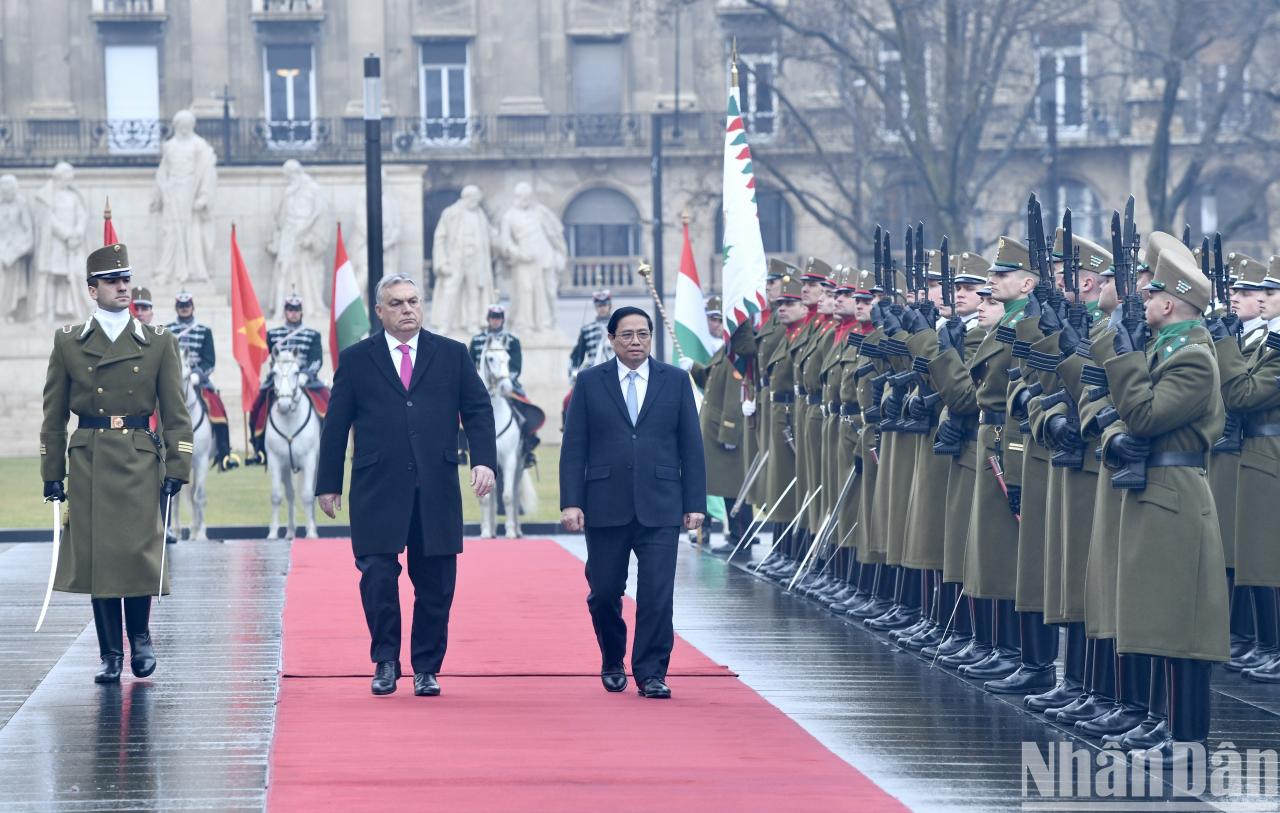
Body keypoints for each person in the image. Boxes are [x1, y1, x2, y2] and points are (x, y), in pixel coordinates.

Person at [316, 274, 496, 698]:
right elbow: (336, 424)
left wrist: (483, 459)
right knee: (377, 577)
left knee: (435, 583)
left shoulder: (451, 354)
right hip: (376, 487)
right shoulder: (357, 359)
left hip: (436, 487)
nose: (407, 309)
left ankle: (427, 667)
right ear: (379, 312)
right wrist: (329, 483)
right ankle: (385, 661)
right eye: (396, 303)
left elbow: (477, 408)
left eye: (413, 301)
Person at [40, 243, 192, 682]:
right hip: (89, 456)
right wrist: (53, 474)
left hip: (138, 455)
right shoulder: (69, 342)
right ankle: (110, 654)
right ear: (93, 290)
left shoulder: (159, 342)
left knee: (138, 552)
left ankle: (140, 639)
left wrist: (178, 466)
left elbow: (176, 411)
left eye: (126, 279)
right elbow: (53, 414)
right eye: (112, 281)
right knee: (99, 559)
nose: (123, 286)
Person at [560, 306, 706, 699]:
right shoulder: (590, 382)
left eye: (643, 334)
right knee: (605, 592)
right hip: (606, 505)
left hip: (661, 505)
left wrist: (695, 502)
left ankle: (651, 672)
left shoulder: (674, 381)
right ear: (611, 339)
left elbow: (691, 445)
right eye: (627, 335)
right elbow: (574, 447)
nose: (636, 342)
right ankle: (612, 657)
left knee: (658, 593)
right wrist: (571, 502)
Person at [248, 295, 330, 464]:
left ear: (301, 312)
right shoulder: (273, 334)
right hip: (278, 380)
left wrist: (305, 374)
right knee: (256, 406)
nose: (293, 314)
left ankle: (328, 445)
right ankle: (258, 448)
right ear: (285, 312)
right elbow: (262, 355)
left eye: (296, 310)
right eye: (290, 310)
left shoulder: (312, 335)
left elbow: (316, 360)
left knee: (329, 403)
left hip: (304, 379)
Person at [168, 292, 238, 471]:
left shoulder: (204, 331)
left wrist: (198, 375)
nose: (184, 309)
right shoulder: (168, 331)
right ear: (177, 308)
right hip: (172, 381)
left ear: (192, 307)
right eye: (181, 306)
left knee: (218, 408)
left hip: (198, 381)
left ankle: (224, 453)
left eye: (187, 306)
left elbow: (209, 361)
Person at [470, 304, 543, 467]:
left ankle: (528, 445)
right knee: (459, 410)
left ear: (502, 319)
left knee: (526, 405)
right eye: (493, 318)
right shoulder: (477, 340)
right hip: (481, 386)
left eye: (498, 318)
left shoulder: (512, 340)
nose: (496, 321)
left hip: (506, 383)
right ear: (488, 319)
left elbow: (516, 365)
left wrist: (505, 381)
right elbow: (470, 364)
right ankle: (461, 447)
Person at [569, 290, 616, 378]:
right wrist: (574, 370)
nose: (602, 308)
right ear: (595, 307)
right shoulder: (587, 329)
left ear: (609, 305)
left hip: (615, 369)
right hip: (594, 370)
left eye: (604, 305)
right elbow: (578, 354)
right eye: (599, 306)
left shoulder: (618, 326)